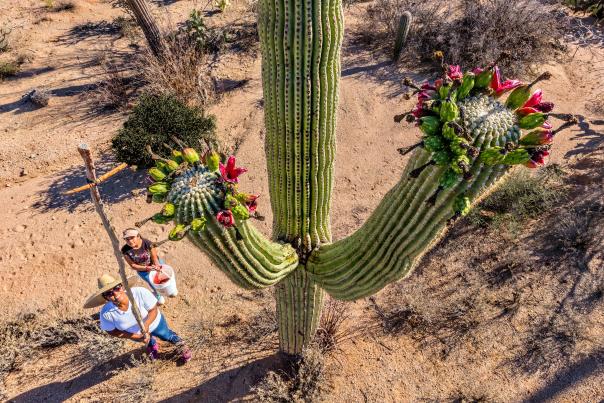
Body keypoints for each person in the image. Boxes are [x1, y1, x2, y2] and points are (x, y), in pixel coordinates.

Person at [83, 273, 191, 363]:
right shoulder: (106, 314)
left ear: (122, 286)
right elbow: (113, 331)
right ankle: (152, 344)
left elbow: (153, 310)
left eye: (116, 288)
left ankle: (181, 345)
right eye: (109, 293)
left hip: (154, 323)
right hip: (135, 334)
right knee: (148, 341)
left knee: (166, 335)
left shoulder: (139, 292)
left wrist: (146, 325)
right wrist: (135, 336)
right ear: (105, 297)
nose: (115, 294)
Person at [121, 228, 166, 305]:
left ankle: (165, 288)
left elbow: (154, 256)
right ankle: (157, 294)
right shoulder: (125, 250)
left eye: (132, 238)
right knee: (152, 283)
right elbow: (133, 265)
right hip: (143, 271)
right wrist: (146, 268)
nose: (130, 241)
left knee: (163, 277)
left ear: (138, 236)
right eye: (127, 239)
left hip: (156, 263)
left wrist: (157, 266)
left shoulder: (147, 243)